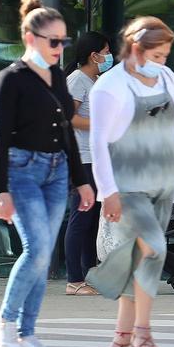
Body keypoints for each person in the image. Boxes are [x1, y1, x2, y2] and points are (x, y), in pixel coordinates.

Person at [85, 16, 174, 347]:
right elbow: (97, 143)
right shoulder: (108, 87)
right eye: (157, 56)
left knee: (140, 256)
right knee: (155, 247)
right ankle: (142, 332)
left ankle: (121, 337)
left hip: (164, 183)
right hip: (126, 185)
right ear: (136, 49)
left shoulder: (167, 78)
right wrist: (106, 192)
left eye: (166, 56)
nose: (162, 63)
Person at [0, 0, 96, 347]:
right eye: (53, 41)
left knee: (44, 254)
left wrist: (81, 180)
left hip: (56, 170)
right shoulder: (11, 79)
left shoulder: (56, 78)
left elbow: (65, 130)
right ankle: (4, 320)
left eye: (63, 41)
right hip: (22, 171)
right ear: (30, 39)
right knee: (36, 250)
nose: (60, 47)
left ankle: (26, 334)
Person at [63, 31, 111, 297]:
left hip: (97, 158)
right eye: (106, 51)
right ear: (94, 55)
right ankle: (74, 279)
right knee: (81, 217)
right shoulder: (77, 80)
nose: (109, 56)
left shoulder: (97, 80)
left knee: (93, 218)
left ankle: (89, 273)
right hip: (81, 158)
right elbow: (70, 118)